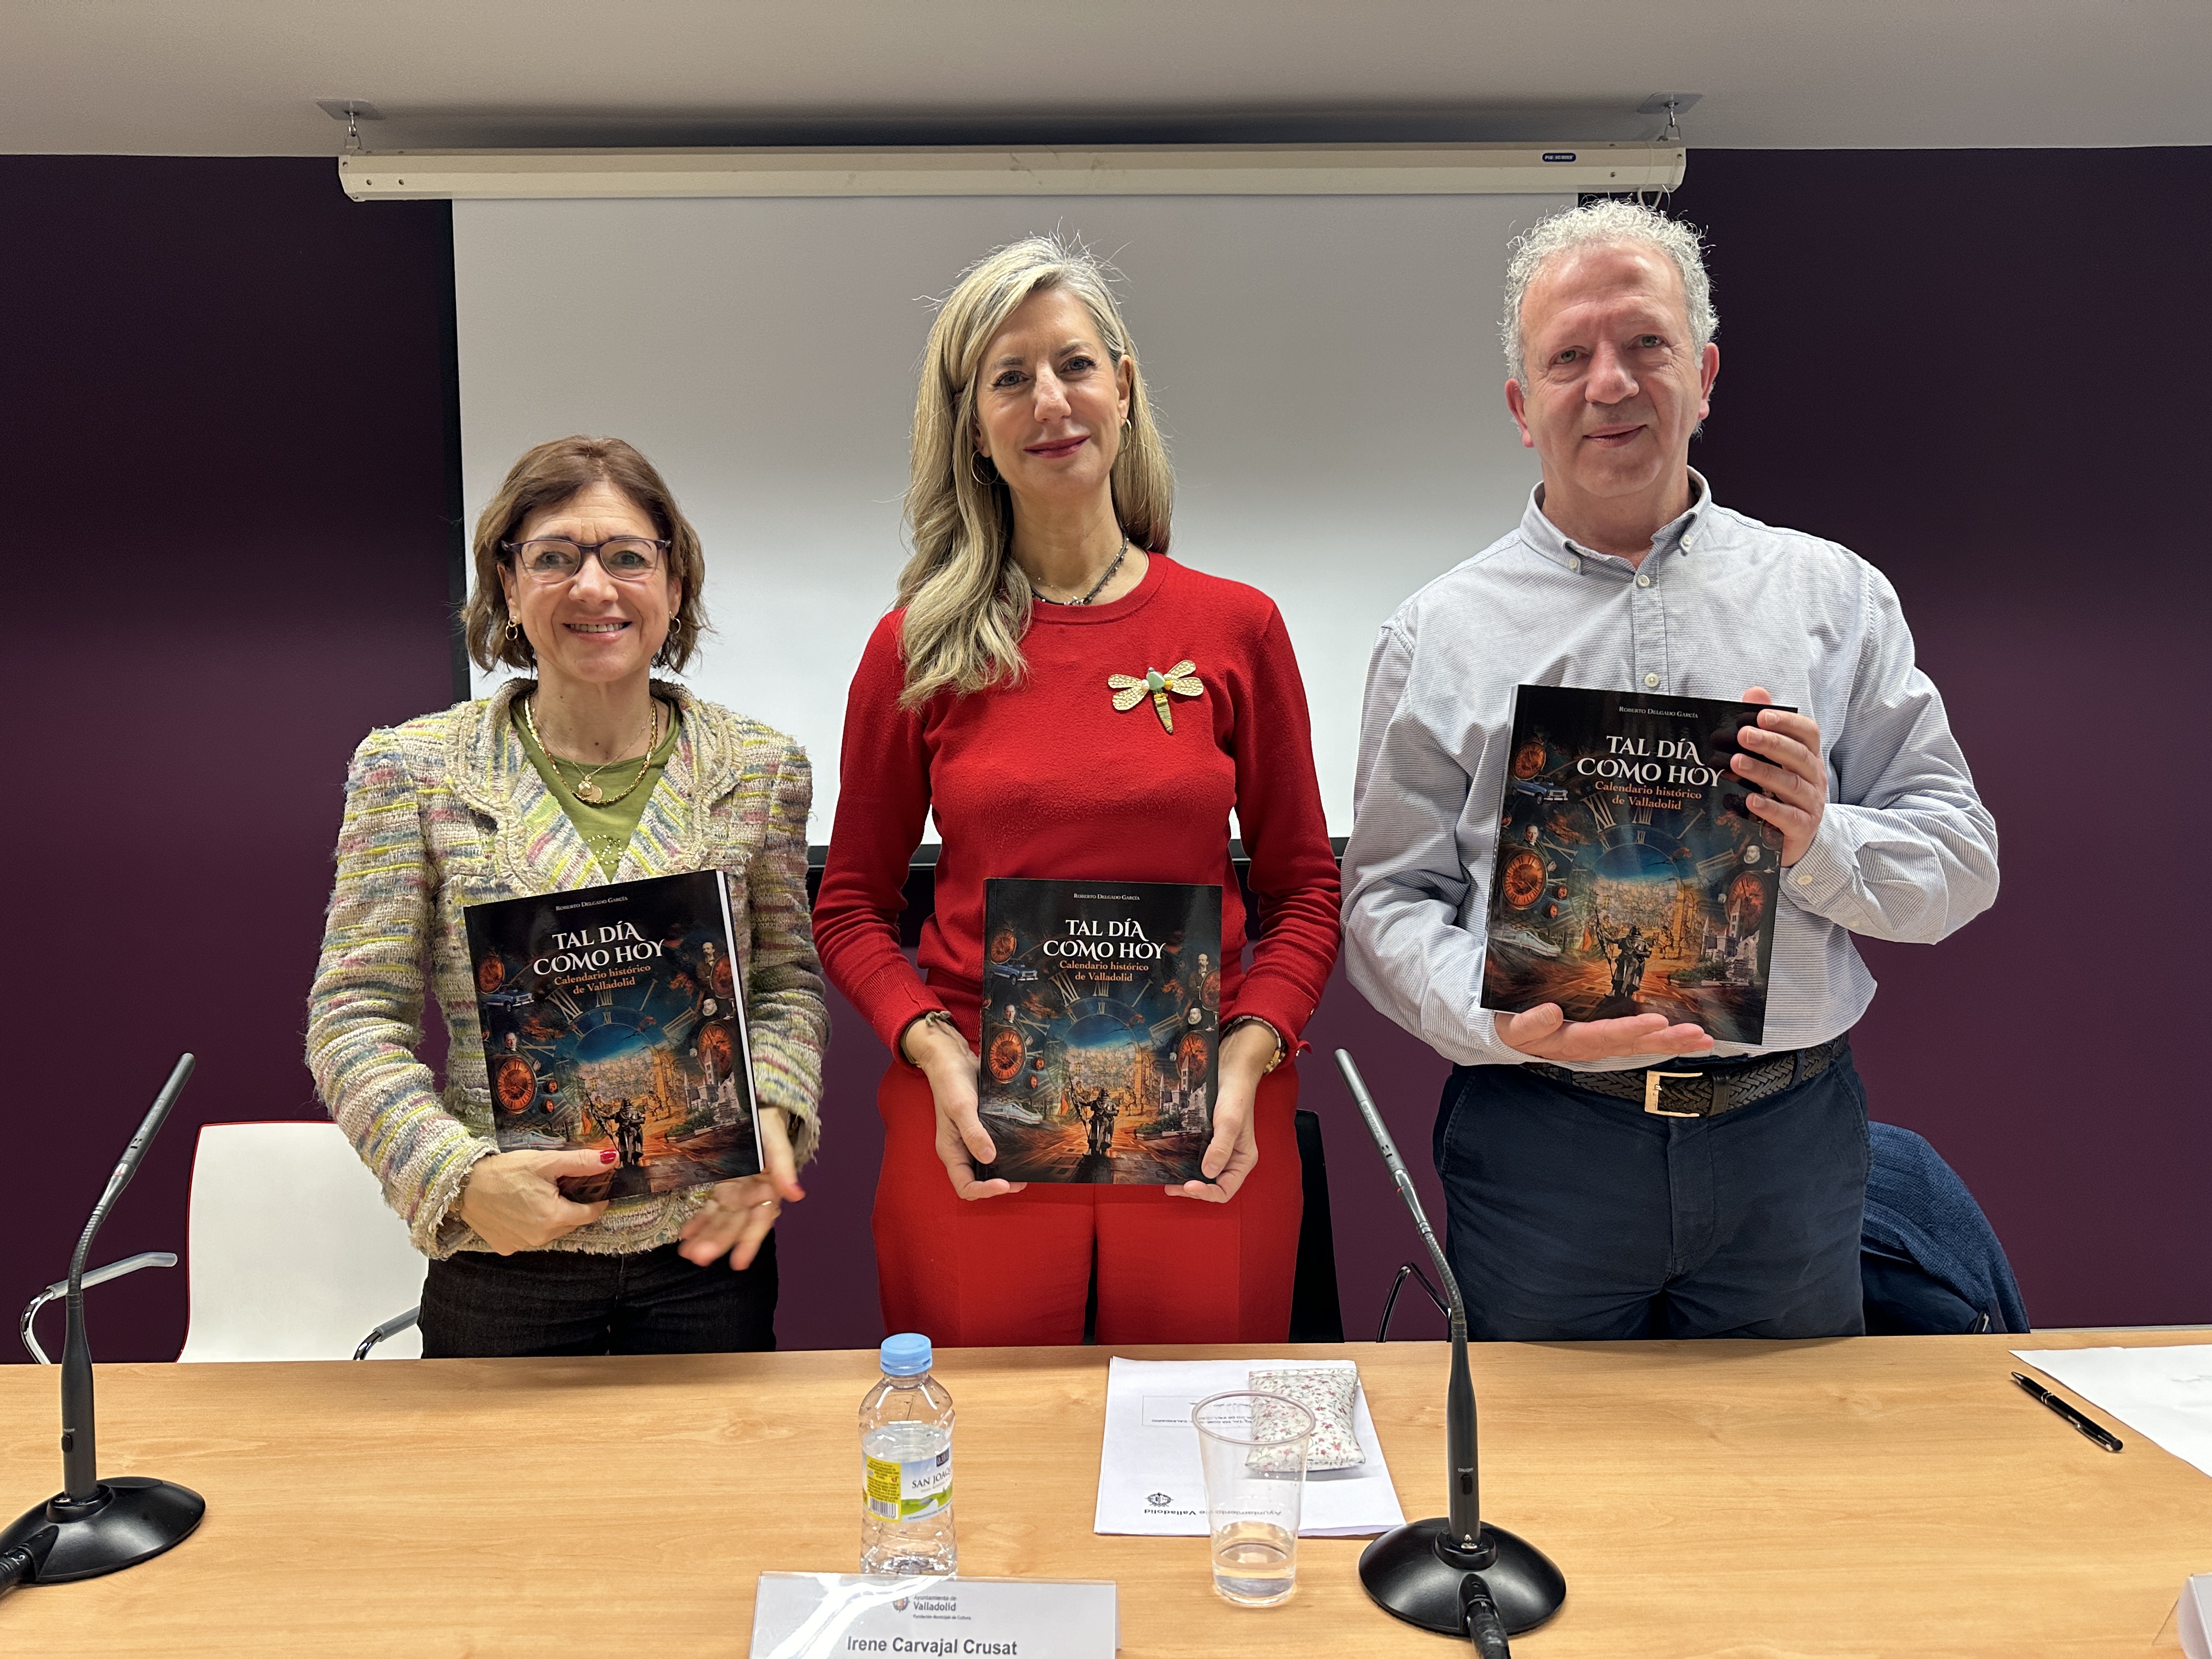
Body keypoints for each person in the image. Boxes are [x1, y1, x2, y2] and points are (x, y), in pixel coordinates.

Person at [1340, 200, 1999, 1342]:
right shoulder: (1436, 634)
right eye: (1569, 357)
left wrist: (1819, 839)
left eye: (1646, 343)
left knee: (1786, 1447)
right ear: (1523, 406)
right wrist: (1503, 1016)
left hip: (1786, 1145)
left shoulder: (1834, 599)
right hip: (1543, 1145)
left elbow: (1961, 862)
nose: (1611, 383)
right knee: (1547, 1450)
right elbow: (1386, 902)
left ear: (1703, 374)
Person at [814, 234, 1341, 1347]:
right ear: (973, 427)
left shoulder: (1236, 628)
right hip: (978, 1124)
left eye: (1074, 365)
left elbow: (1304, 891)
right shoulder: (916, 648)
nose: (1050, 402)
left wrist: (1250, 1054)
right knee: (986, 1438)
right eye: (1009, 378)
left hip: (1208, 1124)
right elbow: (851, 906)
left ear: (1124, 386)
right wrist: (935, 1051)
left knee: (1203, 1432)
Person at [307, 435, 828, 1357]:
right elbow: (354, 1018)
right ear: (509, 587)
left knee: (713, 1462)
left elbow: (785, 984)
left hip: (706, 1254)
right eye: (554, 558)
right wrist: (460, 1178)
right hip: (505, 1263)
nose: (594, 587)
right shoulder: (411, 772)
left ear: (674, 585)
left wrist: (777, 1110)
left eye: (627, 556)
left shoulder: (761, 769)